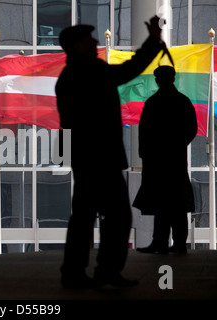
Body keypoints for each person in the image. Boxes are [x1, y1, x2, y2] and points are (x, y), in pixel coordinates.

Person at [56, 16, 164, 289]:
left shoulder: (72, 74)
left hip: (84, 157)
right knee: (117, 217)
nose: (94, 42)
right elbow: (130, 69)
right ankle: (105, 271)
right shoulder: (89, 71)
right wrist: (153, 40)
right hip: (99, 157)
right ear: (77, 46)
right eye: (88, 39)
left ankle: (76, 273)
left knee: (83, 217)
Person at [133, 66, 197, 255]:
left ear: (157, 80)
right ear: (173, 78)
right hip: (175, 160)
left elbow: (144, 133)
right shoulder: (182, 102)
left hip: (157, 161)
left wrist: (146, 155)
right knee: (177, 203)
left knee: (161, 202)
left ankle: (159, 242)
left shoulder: (153, 103)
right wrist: (178, 145)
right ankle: (178, 243)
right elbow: (191, 129)